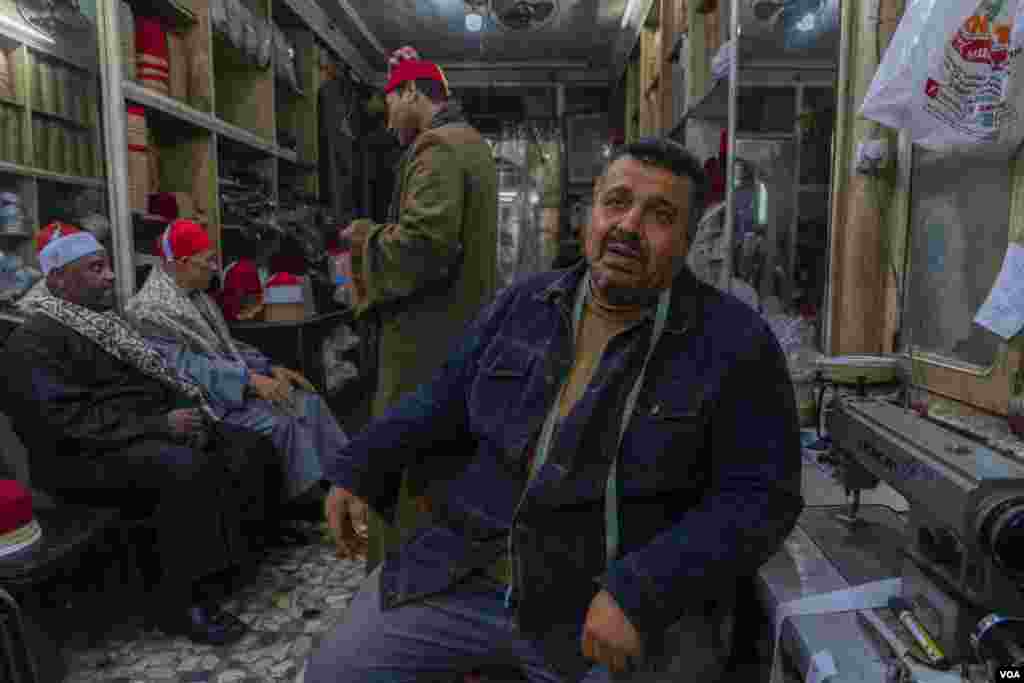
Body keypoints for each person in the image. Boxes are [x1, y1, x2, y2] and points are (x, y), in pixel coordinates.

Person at [312, 138, 803, 682]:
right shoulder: (526, 305)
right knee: (334, 673)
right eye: (616, 203)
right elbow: (443, 397)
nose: (628, 226)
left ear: (687, 240)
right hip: (469, 572)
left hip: (606, 604)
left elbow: (762, 497)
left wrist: (645, 588)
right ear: (590, 213)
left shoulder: (733, 343)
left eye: (659, 215)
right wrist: (361, 463)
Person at [3, 225, 278, 645]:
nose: (110, 276)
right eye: (96, 268)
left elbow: (152, 381)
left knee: (247, 445)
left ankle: (231, 568)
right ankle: (180, 604)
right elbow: (64, 421)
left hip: (133, 434)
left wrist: (181, 412)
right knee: (182, 468)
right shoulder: (32, 340)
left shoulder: (104, 324)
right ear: (57, 279)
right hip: (78, 458)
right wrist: (160, 425)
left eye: (108, 266)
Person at [341, 48, 499, 571]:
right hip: (459, 328)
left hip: (425, 339)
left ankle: (406, 580)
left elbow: (425, 246)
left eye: (390, 100)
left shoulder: (437, 148)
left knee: (411, 465)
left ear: (412, 93)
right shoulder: (471, 144)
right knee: (443, 463)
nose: (387, 116)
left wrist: (366, 240)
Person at [123, 219, 350, 512]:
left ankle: (345, 482)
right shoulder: (148, 311)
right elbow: (186, 367)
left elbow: (227, 345)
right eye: (208, 261)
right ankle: (306, 506)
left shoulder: (196, 296)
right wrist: (249, 381)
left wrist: (269, 367)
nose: (215, 268)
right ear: (181, 263)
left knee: (309, 403)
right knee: (281, 423)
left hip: (228, 388)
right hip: (205, 402)